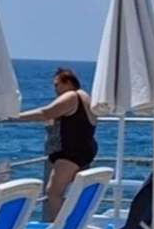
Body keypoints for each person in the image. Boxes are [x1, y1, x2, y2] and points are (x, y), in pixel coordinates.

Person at [12, 65, 97, 220]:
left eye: (57, 85)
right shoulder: (85, 96)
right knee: (74, 193)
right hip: (86, 149)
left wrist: (15, 117)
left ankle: (60, 227)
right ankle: (73, 223)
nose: (55, 90)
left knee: (53, 192)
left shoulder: (71, 96)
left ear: (68, 83)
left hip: (71, 152)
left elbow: (46, 113)